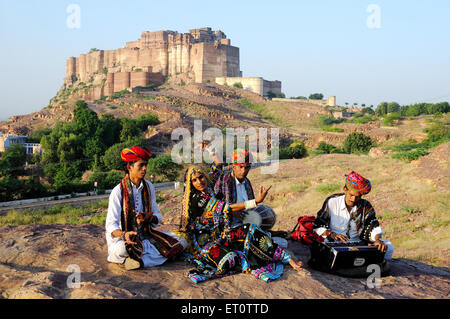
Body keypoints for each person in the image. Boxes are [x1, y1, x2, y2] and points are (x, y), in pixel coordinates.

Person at [179, 165, 304, 283]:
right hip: (205, 241)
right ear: (190, 183)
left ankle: (287, 259)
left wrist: (210, 149)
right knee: (229, 260)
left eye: (201, 177)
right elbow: (227, 208)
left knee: (249, 228)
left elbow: (217, 165)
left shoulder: (209, 186)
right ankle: (250, 257)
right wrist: (256, 201)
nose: (199, 182)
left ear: (205, 176)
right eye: (194, 180)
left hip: (221, 233)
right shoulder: (197, 198)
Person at [105, 146, 187, 270]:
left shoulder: (149, 187)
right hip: (126, 241)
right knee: (123, 249)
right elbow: (111, 226)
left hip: (146, 236)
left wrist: (149, 217)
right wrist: (124, 235)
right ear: (129, 167)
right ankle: (145, 258)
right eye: (141, 165)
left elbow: (157, 216)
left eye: (146, 165)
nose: (145, 169)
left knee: (183, 241)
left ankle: (140, 262)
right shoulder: (118, 191)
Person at [313, 171, 394, 260]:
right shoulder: (332, 202)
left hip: (357, 244)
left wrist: (378, 240)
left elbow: (373, 227)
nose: (353, 199)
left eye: (358, 196)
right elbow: (318, 225)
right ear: (345, 190)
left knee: (389, 247)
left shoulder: (365, 206)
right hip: (334, 244)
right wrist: (331, 234)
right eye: (351, 195)